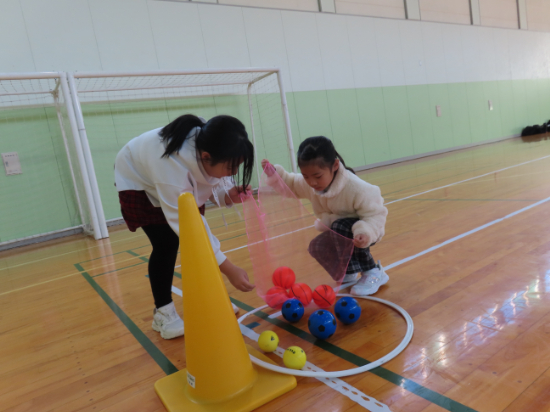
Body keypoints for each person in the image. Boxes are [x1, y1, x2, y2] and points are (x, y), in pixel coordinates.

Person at [115, 114, 255, 339]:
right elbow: (190, 227)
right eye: (231, 166)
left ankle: (212, 300)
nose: (235, 172)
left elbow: (212, 181)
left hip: (167, 176)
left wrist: (228, 194)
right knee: (167, 244)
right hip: (137, 178)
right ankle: (163, 314)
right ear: (206, 157)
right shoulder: (171, 168)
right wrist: (229, 268)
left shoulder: (211, 146)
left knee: (192, 244)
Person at [262, 136, 388, 296]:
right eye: (306, 176)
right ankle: (348, 271)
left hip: (366, 231)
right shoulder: (310, 184)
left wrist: (366, 232)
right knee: (317, 246)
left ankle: (373, 271)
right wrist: (275, 175)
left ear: (335, 165)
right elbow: (291, 184)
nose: (312, 182)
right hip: (339, 231)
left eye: (317, 176)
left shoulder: (358, 188)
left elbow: (376, 214)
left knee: (339, 226)